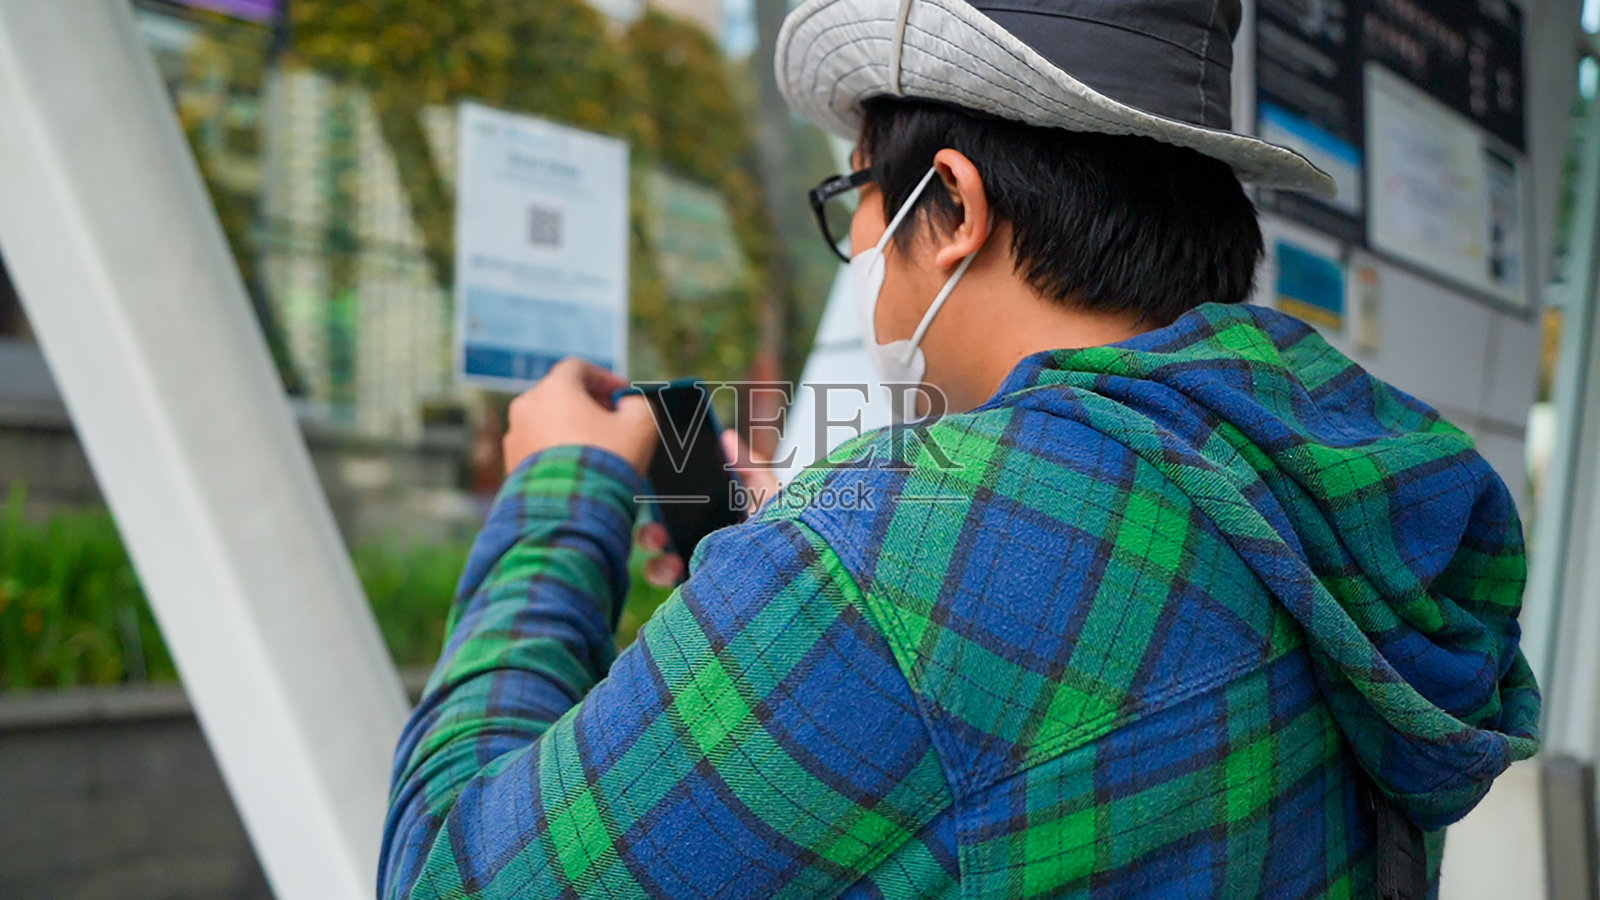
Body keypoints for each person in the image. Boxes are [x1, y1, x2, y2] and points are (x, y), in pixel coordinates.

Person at [379, 0, 1540, 896]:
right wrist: (772, 572)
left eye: (859, 198)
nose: (865, 251)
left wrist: (558, 489)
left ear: (953, 205)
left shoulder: (888, 564)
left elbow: (448, 871)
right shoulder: (1321, 482)